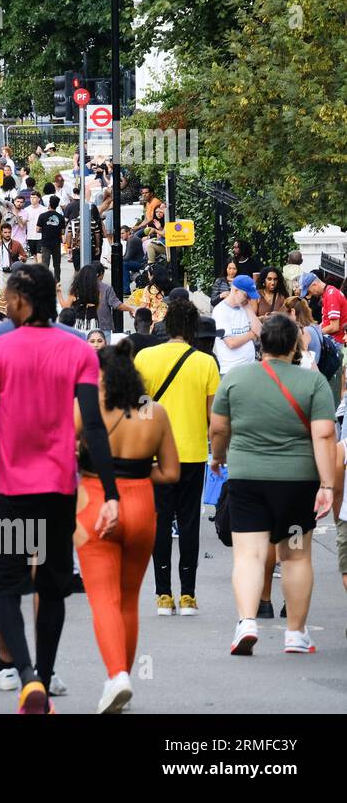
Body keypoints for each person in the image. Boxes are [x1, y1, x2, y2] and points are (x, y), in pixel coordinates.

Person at [0, 264, 118, 713]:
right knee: (52, 586)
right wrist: (111, 491)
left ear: (24, 301)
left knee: (4, 583)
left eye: (10, 297)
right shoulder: (78, 350)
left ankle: (26, 675)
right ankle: (43, 680)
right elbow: (95, 430)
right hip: (59, 492)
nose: (5, 303)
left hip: (10, 490)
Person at [210, 313, 337, 656]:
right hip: (297, 485)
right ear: (294, 345)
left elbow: (219, 429)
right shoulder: (313, 384)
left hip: (248, 480)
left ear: (260, 343)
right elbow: (324, 434)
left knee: (249, 556)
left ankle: (247, 621)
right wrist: (327, 485)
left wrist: (218, 458)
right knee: (295, 556)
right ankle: (295, 634)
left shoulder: (235, 380)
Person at [75, 342, 179, 712]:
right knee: (129, 599)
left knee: (104, 599)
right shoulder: (155, 411)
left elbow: (62, 451)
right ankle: (120, 679)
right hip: (143, 505)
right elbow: (171, 472)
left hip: (95, 502)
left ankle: (117, 674)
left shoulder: (88, 410)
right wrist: (136, 471)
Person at [135, 297, 220, 617]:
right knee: (188, 523)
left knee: (158, 522)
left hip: (155, 454)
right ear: (192, 330)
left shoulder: (145, 358)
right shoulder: (206, 363)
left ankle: (162, 594)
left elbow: (141, 408)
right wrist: (218, 453)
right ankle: (188, 595)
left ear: (167, 326)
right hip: (193, 452)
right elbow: (213, 418)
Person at [213, 274, 263, 377]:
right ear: (235, 291)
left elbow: (260, 332)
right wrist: (251, 335)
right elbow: (231, 343)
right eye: (246, 295)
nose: (249, 299)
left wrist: (248, 308)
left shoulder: (244, 307)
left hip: (250, 367)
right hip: (231, 371)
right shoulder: (220, 311)